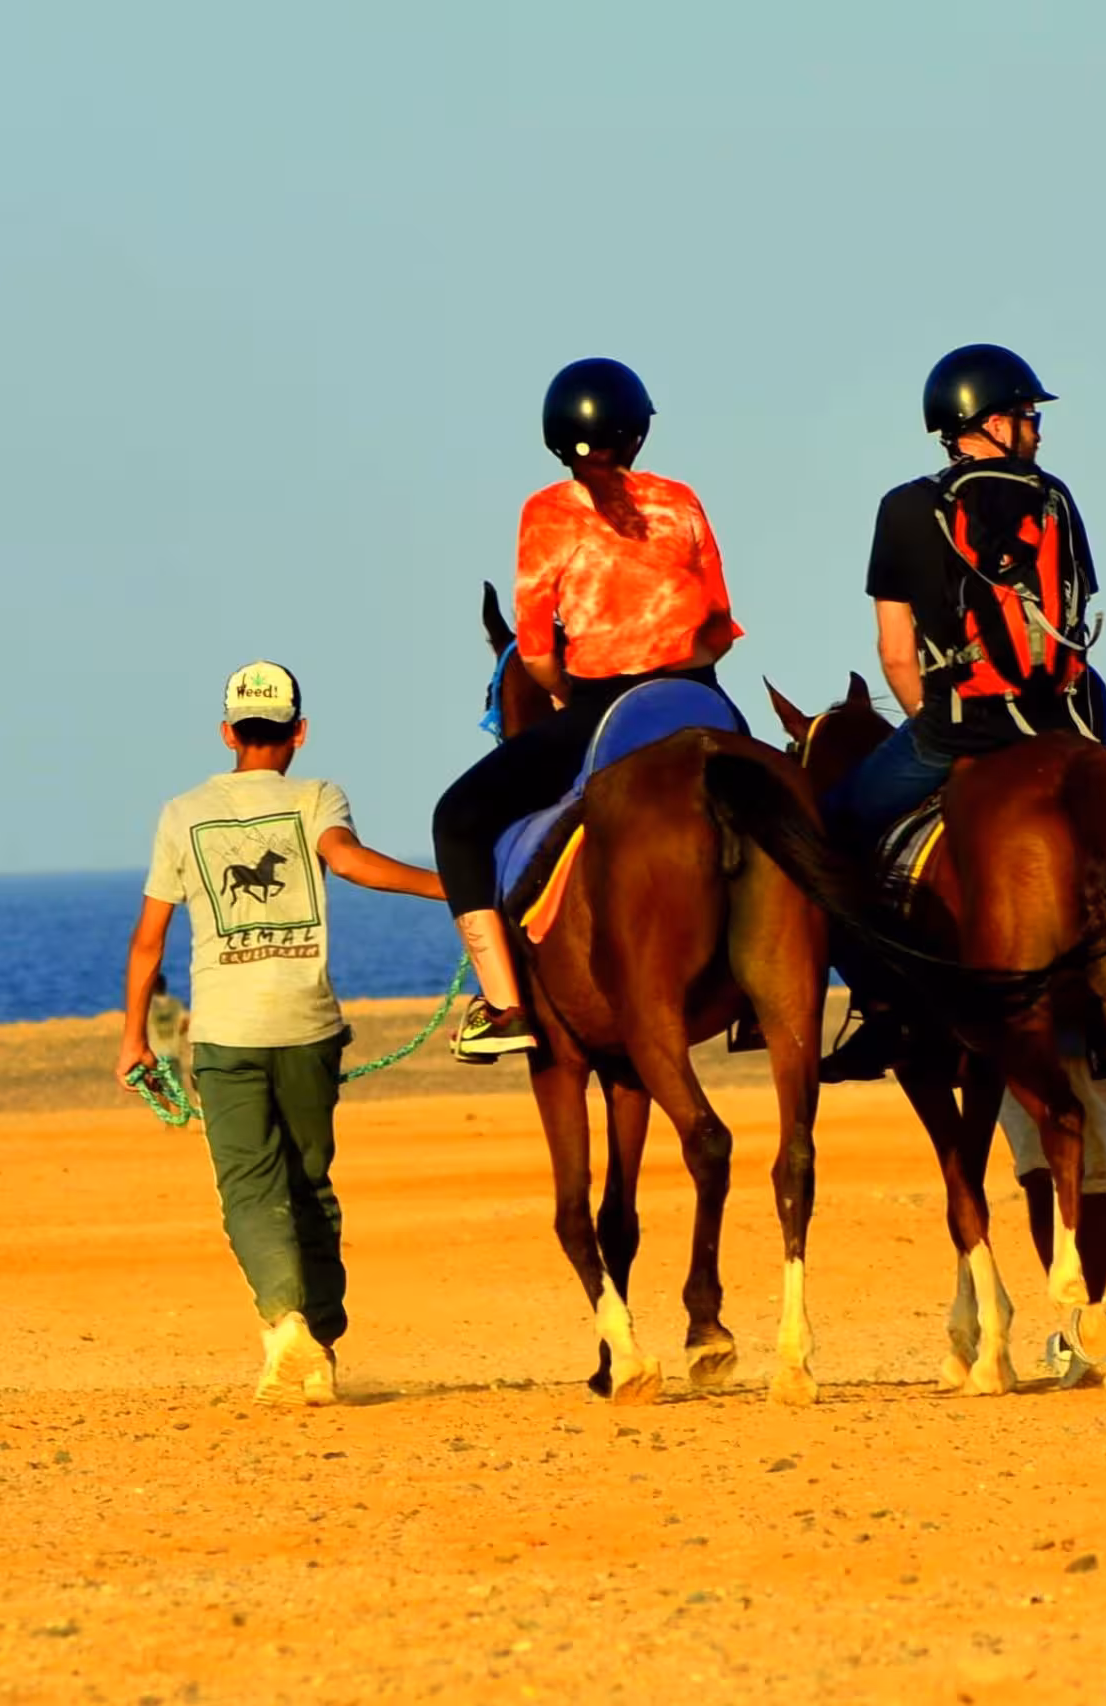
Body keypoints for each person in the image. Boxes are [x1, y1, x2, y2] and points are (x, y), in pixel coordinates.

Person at [116, 661, 445, 1405]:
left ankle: (286, 1322)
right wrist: (452, 888)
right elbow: (352, 864)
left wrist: (134, 1038)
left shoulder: (183, 813)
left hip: (226, 1032)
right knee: (310, 1183)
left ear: (227, 733)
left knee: (248, 1186)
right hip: (307, 1026)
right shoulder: (316, 796)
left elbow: (147, 941)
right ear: (298, 732)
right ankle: (320, 1343)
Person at [431, 358, 745, 1062]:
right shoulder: (682, 500)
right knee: (786, 810)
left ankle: (505, 1007)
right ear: (637, 435)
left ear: (555, 440)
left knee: (456, 820)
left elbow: (536, 652)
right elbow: (719, 628)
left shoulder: (546, 512)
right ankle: (764, 992)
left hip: (603, 707)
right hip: (702, 700)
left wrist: (565, 692)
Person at [820, 342, 1106, 1081]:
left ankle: (883, 1007)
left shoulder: (904, 507)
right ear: (989, 422)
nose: (1037, 428)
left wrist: (935, 717)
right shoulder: (1057, 497)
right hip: (1066, 723)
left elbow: (894, 653)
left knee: (826, 835)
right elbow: (1073, 618)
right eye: (1028, 414)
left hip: (960, 726)